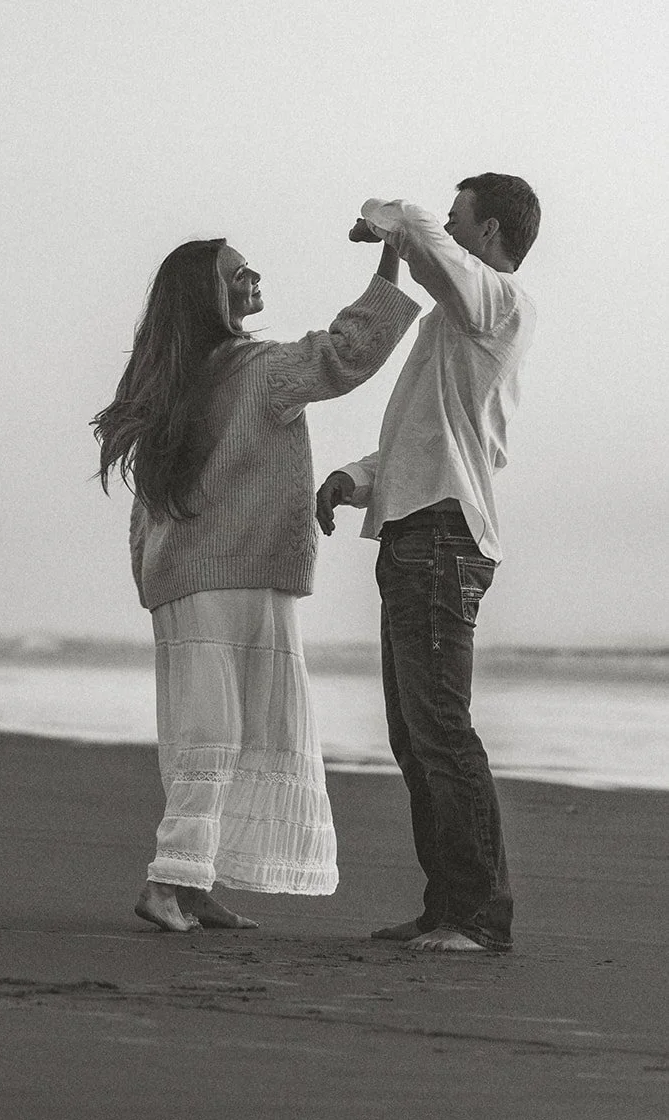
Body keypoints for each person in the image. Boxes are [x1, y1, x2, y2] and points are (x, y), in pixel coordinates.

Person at [93, 233, 420, 932]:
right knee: (217, 732)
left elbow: (144, 508)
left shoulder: (176, 377)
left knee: (218, 731)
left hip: (194, 577)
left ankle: (194, 882)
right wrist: (390, 258)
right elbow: (346, 354)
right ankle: (167, 881)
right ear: (210, 295)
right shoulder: (256, 370)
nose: (253, 278)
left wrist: (150, 578)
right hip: (230, 574)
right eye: (238, 274)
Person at [316, 175, 541, 954]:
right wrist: (356, 478)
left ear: (486, 236)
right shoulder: (454, 321)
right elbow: (422, 439)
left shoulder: (498, 301)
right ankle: (448, 906)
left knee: (440, 728)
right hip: (417, 530)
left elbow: (417, 229)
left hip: (444, 535)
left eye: (457, 221)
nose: (440, 231)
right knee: (415, 735)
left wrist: (391, 224)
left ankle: (477, 916)